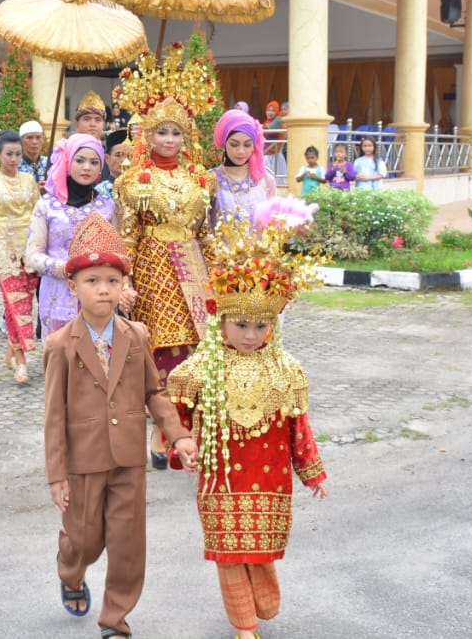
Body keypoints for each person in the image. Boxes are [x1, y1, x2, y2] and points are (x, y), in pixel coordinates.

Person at [167, 199, 328, 639]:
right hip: (220, 480)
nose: (251, 335)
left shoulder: (286, 369)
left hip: (270, 478)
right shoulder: (197, 370)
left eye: (260, 326)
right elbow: (174, 417)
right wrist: (182, 448)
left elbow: (298, 427)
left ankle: (258, 613)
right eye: (241, 325)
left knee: (259, 554)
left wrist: (312, 472)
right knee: (228, 553)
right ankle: (243, 627)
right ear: (221, 321)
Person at [43, 212, 199, 639]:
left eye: (113, 280)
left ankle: (115, 619)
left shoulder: (136, 335)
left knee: (128, 544)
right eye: (92, 280)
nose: (103, 289)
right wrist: (57, 474)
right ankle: (71, 571)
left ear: (124, 285)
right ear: (73, 286)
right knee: (85, 539)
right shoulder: (60, 346)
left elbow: (155, 391)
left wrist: (179, 435)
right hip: (83, 460)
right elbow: (53, 415)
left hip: (129, 457)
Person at [114, 41, 217, 468]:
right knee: (162, 352)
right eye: (162, 131)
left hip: (193, 266)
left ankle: (193, 428)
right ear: (147, 134)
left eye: (176, 132)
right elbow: (127, 236)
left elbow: (205, 232)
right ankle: (162, 431)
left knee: (199, 350)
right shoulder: (134, 180)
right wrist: (124, 280)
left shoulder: (200, 178)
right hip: (154, 268)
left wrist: (223, 273)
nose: (169, 140)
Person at [25, 134, 118, 341]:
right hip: (57, 297)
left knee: (98, 355)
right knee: (60, 355)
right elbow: (32, 256)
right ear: (67, 161)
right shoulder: (46, 205)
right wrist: (65, 268)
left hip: (98, 296)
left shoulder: (108, 206)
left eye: (94, 162)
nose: (87, 167)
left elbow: (116, 252)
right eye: (80, 160)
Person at [0, 131, 40, 382]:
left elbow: (38, 215)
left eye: (17, 154)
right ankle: (21, 362)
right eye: (9, 154)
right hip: (3, 253)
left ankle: (11, 353)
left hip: (29, 251)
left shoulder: (29, 181)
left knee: (23, 305)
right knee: (15, 305)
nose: (13, 159)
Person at [210, 108, 277, 224]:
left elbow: (275, 224)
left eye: (247, 145)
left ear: (254, 146)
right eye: (234, 144)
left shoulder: (266, 179)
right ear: (224, 143)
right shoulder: (210, 180)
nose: (241, 151)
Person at [95, 129, 129, 199]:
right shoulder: (99, 192)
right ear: (107, 158)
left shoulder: (143, 188)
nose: (124, 160)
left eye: (129, 156)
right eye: (118, 155)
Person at [18, 119, 49, 190]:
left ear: (43, 139)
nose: (35, 142)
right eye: (29, 138)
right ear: (21, 141)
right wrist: (35, 191)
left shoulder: (50, 163)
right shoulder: (15, 165)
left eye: (38, 137)